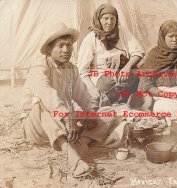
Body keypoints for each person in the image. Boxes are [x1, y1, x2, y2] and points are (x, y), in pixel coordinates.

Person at [20, 23, 127, 178]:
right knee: (41, 102)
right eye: (61, 45)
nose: (66, 50)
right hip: (37, 125)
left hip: (64, 123)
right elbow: (46, 93)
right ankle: (73, 158)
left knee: (107, 112)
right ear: (49, 49)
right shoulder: (40, 64)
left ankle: (81, 143)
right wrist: (66, 116)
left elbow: (82, 95)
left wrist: (90, 113)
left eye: (69, 45)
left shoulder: (72, 68)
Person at [77, 3, 145, 106]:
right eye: (106, 18)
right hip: (102, 77)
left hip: (124, 73)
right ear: (99, 19)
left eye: (112, 18)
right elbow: (82, 71)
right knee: (109, 83)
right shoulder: (90, 39)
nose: (109, 22)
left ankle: (120, 97)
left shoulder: (122, 32)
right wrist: (92, 89)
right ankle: (119, 97)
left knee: (141, 77)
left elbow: (138, 52)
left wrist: (127, 67)